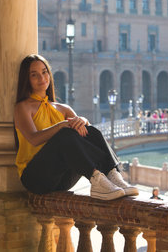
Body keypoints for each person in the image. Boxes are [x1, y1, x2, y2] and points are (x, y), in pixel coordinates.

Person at [14, 54, 138, 201]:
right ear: (26, 79)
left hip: (62, 179)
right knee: (65, 134)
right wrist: (61, 126)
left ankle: (112, 174)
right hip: (36, 177)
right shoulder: (23, 107)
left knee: (90, 130)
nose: (42, 78)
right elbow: (33, 139)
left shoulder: (63, 108)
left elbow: (86, 138)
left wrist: (83, 121)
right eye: (34, 75)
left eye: (44, 72)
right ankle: (98, 180)